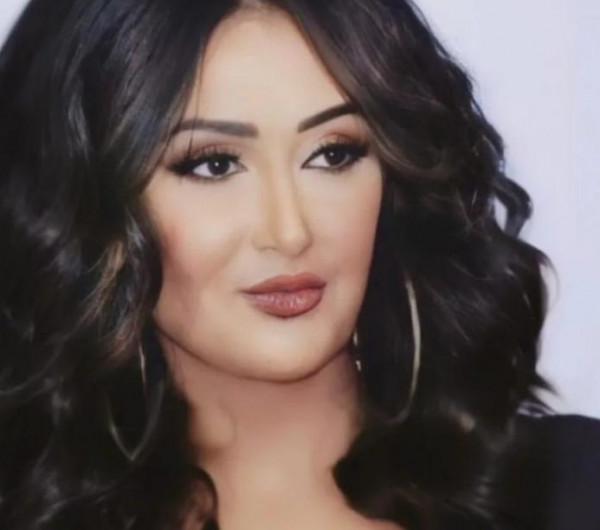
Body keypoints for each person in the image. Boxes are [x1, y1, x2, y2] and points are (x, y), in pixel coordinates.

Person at [0, 0, 598, 529]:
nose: (290, 232)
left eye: (333, 154)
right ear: (90, 203)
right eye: (213, 164)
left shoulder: (573, 488)